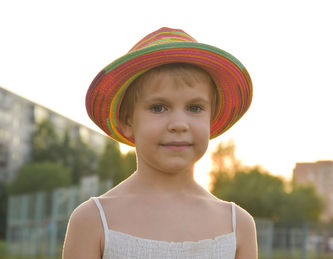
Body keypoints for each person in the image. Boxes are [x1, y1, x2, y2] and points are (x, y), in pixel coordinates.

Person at [63, 27, 257, 259]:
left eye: (195, 108)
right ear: (127, 121)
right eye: (158, 107)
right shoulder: (93, 221)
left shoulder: (237, 226)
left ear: (211, 119)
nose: (179, 124)